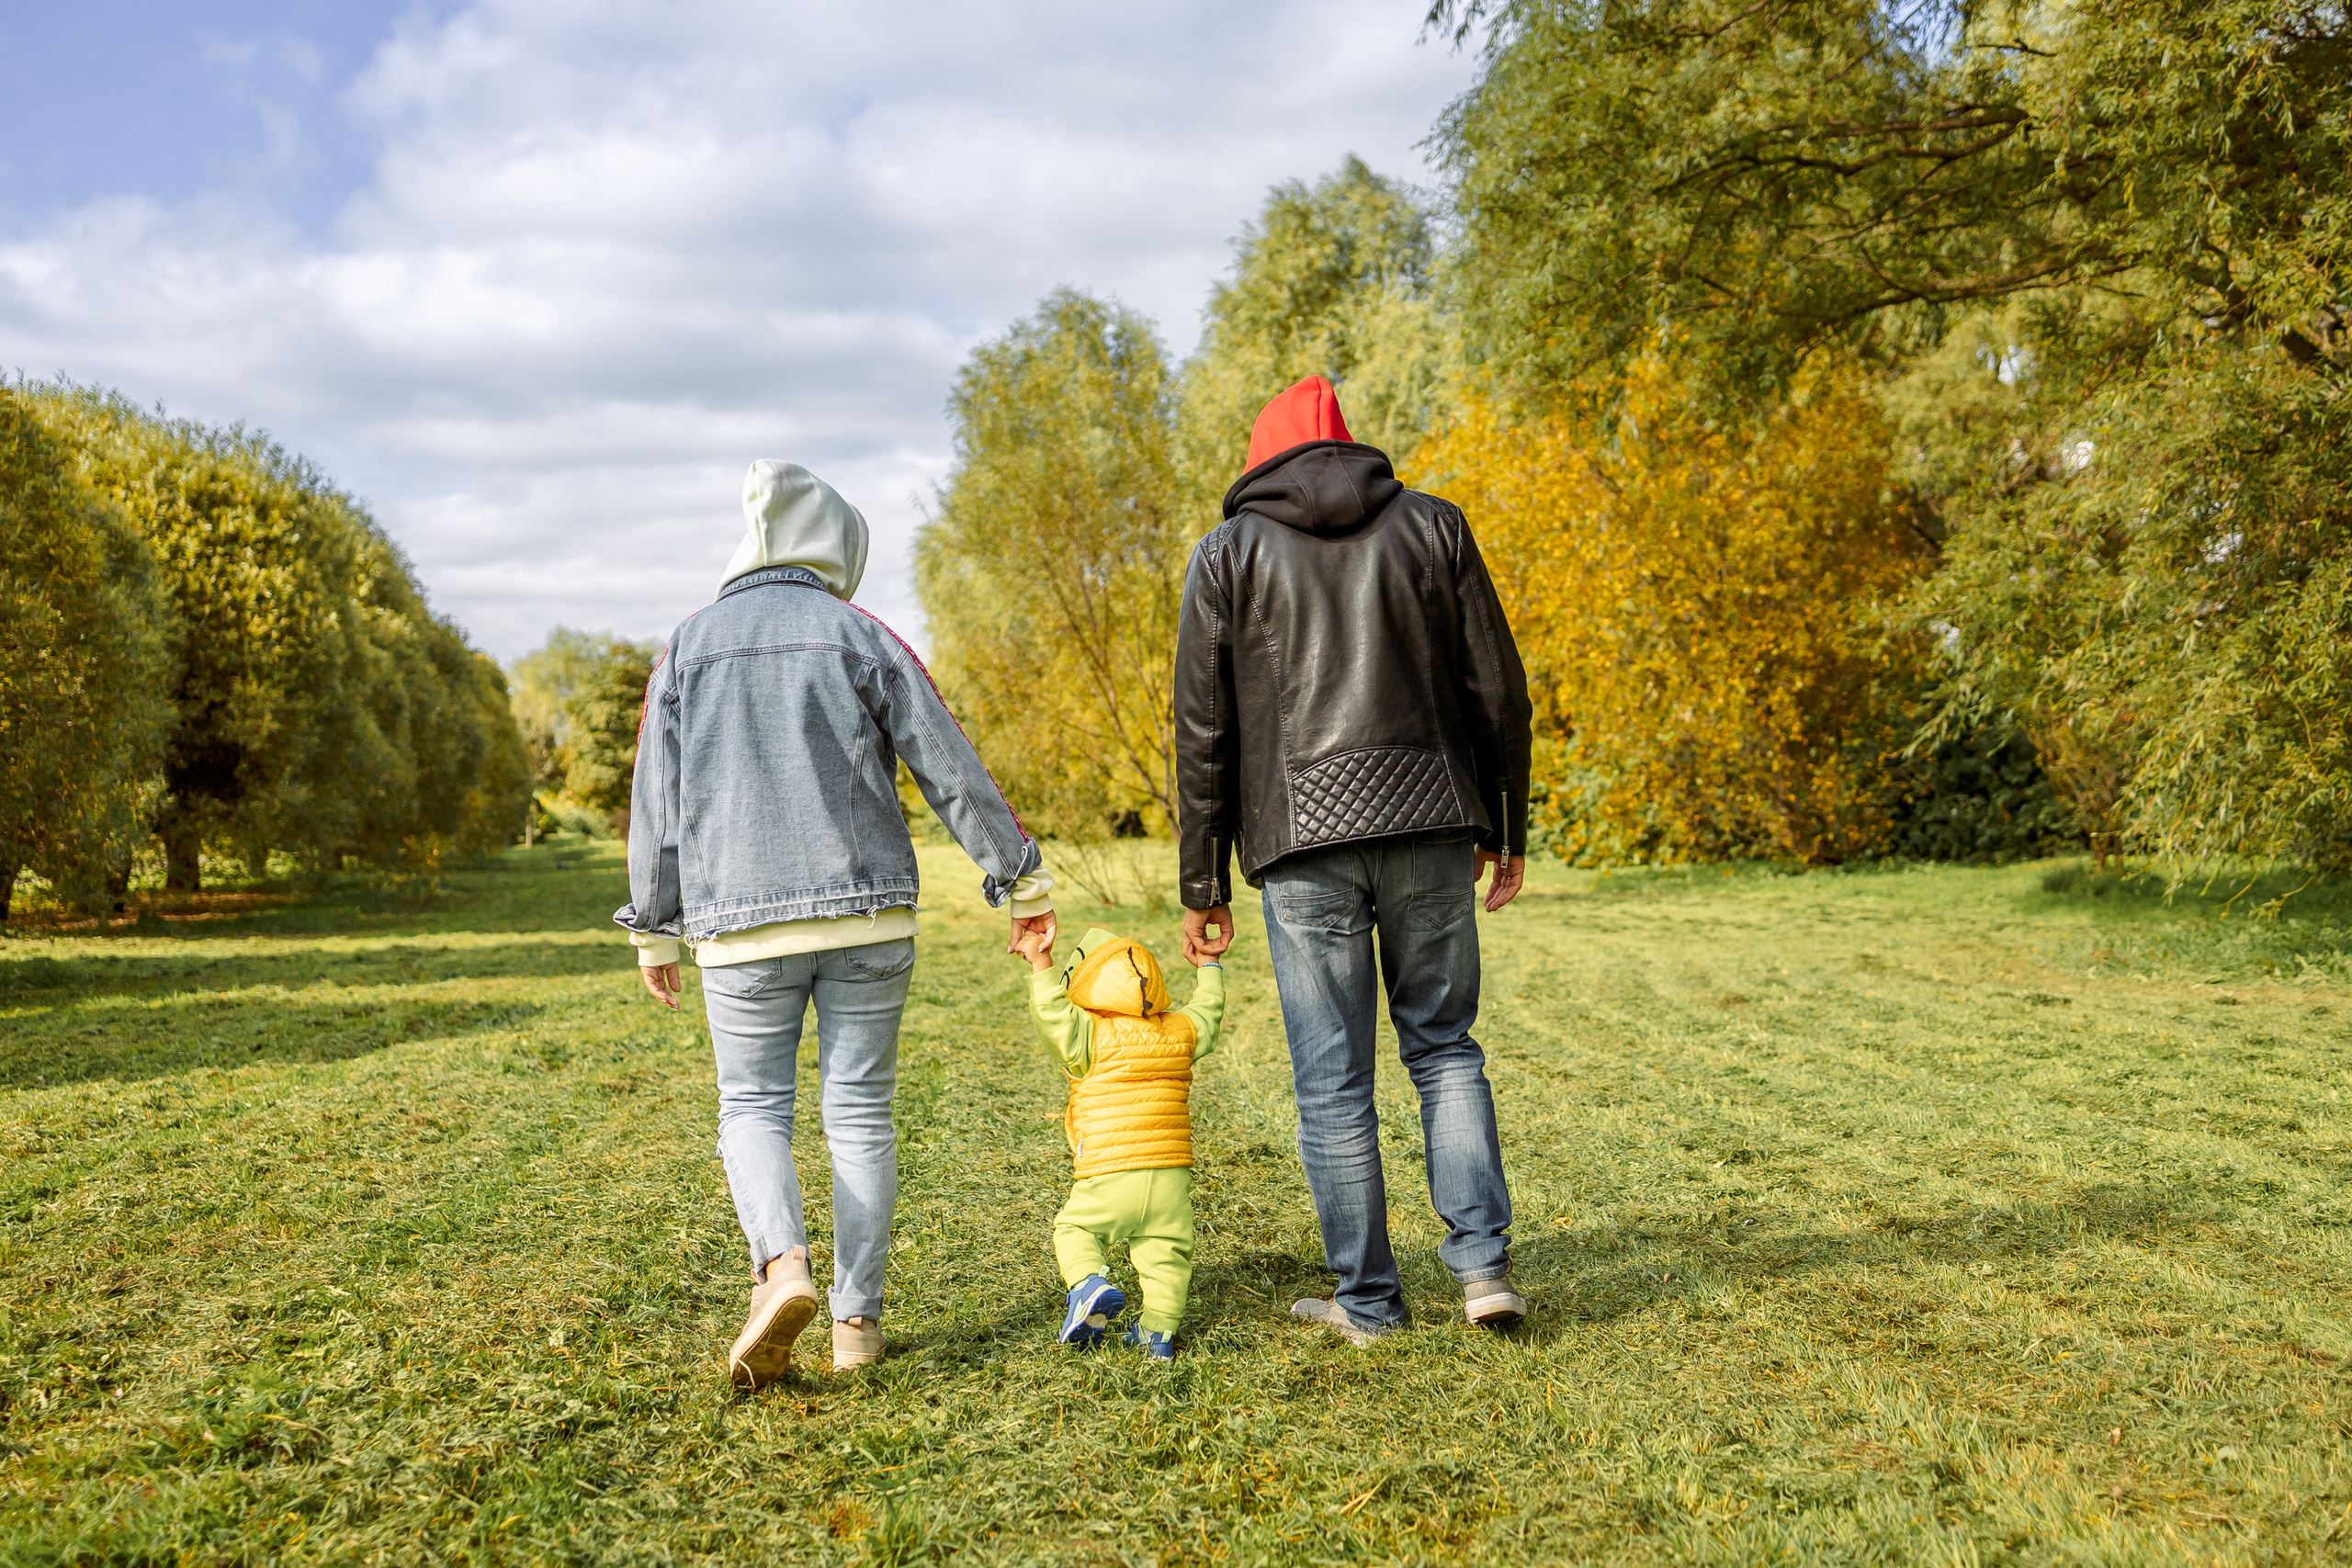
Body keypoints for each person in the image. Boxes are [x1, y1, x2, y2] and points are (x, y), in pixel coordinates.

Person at [617, 459, 1054, 1389]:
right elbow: (947, 762)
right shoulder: (861, 634)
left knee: (752, 1108)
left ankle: (781, 1267)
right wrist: (1020, 883)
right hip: (867, 917)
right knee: (859, 1113)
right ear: (834, 545)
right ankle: (856, 1325)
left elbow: (656, 800)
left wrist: (655, 927)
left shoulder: (686, 647)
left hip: (739, 928)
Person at [1172, 376, 1534, 1346]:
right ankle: (1483, 1273)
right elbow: (1496, 688)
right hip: (1431, 821)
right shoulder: (1435, 526)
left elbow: (1203, 728)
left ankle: (1369, 1306)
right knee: (1445, 1049)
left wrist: (1201, 880)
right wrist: (1505, 825)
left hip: (1302, 843)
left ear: (1261, 459)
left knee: (1332, 1082)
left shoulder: (1228, 553)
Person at [1012, 924, 1226, 1359]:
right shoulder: (1180, 1031)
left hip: (1110, 1170)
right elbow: (1209, 1011)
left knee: (1075, 1229)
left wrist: (1040, 962)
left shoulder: (1088, 1034)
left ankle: (1089, 1284)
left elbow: (1050, 1012)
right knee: (1167, 1254)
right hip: (1169, 1177)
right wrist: (1209, 965)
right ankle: (1156, 1336)